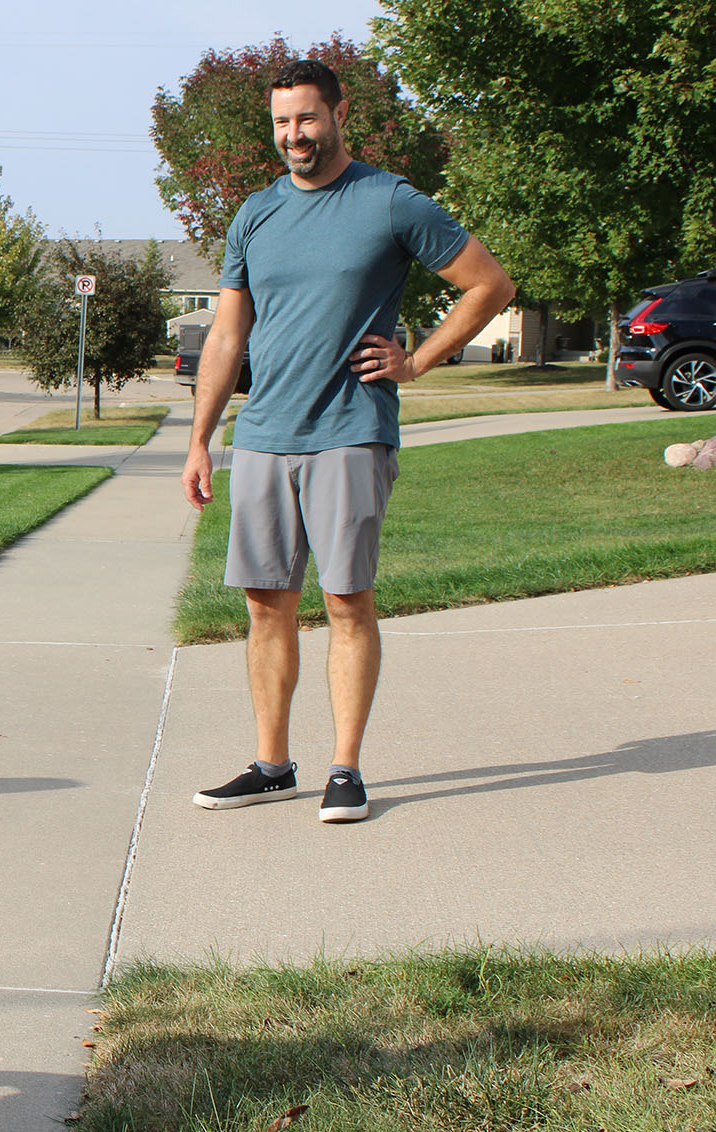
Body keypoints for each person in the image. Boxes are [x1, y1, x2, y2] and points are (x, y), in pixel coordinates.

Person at [181, 59, 513, 823]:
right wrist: (202, 439)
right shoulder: (253, 216)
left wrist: (420, 359)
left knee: (345, 600)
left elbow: (490, 284)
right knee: (266, 605)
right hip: (264, 434)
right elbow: (230, 333)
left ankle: (345, 769)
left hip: (350, 431)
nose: (294, 135)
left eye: (306, 118)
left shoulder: (389, 200)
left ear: (337, 115)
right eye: (281, 124)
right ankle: (271, 765)